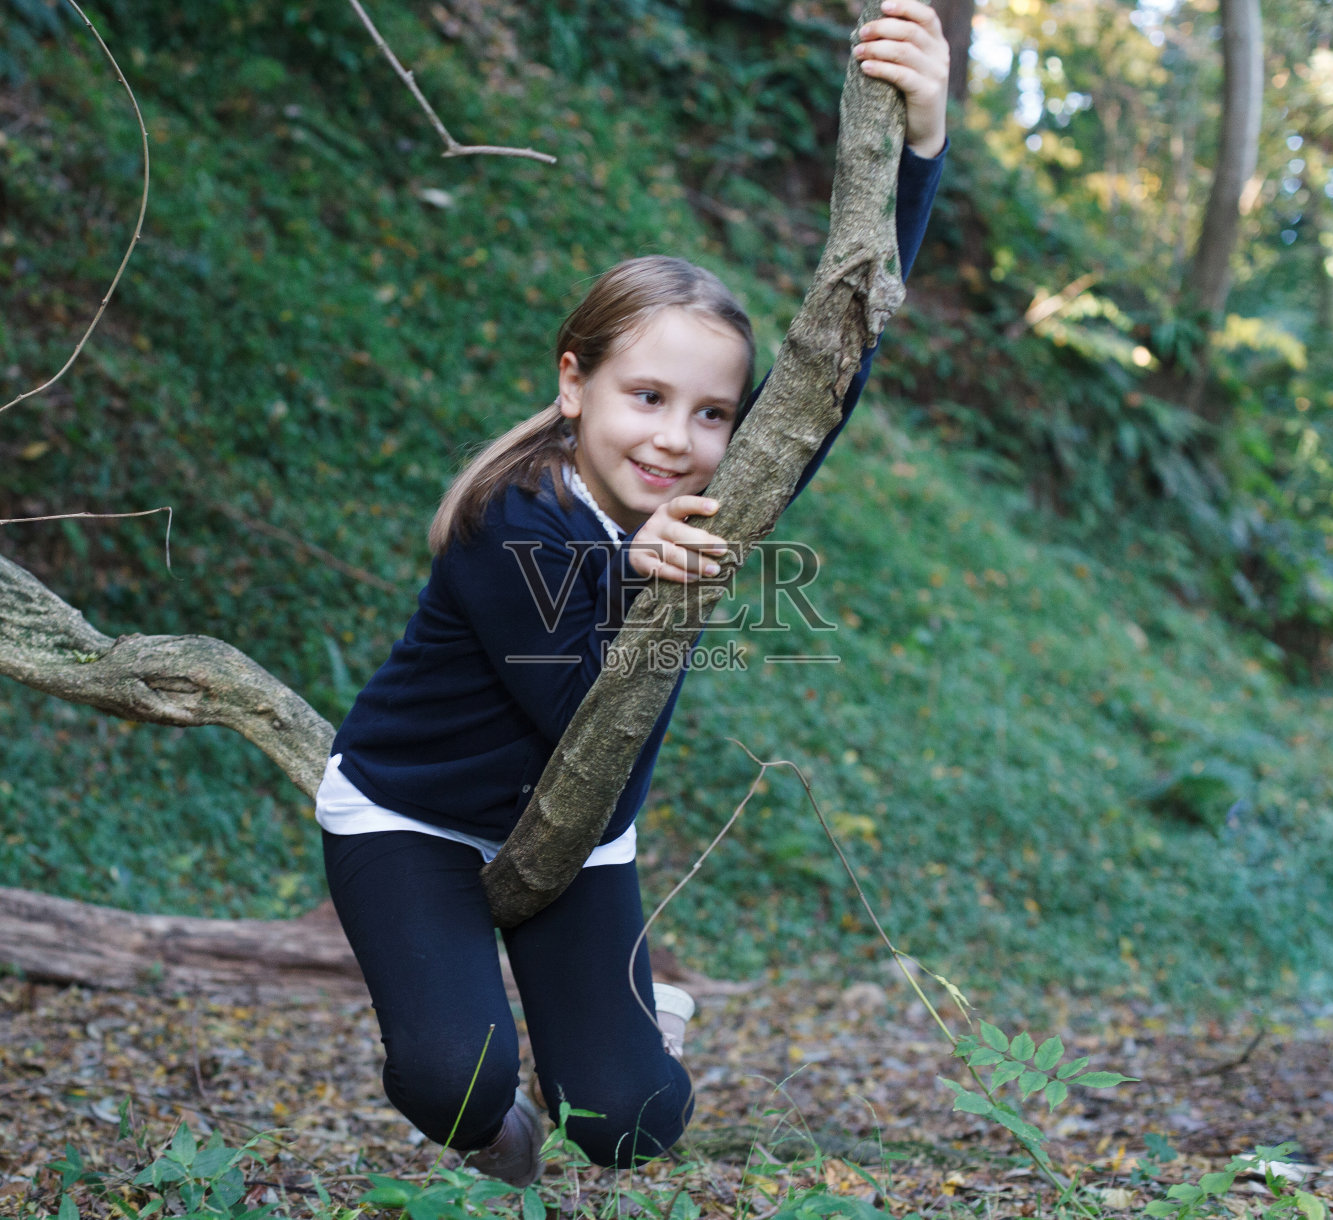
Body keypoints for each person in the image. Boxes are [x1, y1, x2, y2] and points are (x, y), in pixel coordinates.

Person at [317, 0, 952, 1186]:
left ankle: (613, 1031)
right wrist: (630, 576)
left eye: (714, 413)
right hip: (417, 819)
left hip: (577, 836)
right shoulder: (509, 515)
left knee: (632, 1122)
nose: (678, 439)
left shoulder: (715, 507)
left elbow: (836, 366)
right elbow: (580, 689)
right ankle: (494, 1108)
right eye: (647, 397)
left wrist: (920, 152)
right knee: (454, 1071)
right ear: (575, 383)